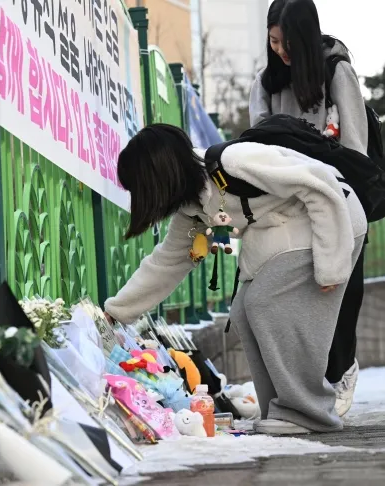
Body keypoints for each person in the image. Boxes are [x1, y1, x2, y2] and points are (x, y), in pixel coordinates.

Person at [103, 124, 366, 435]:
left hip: (334, 221)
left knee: (264, 302)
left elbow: (319, 186)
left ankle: (310, 411)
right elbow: (168, 261)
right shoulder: (192, 208)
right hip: (287, 232)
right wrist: (116, 312)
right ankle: (280, 408)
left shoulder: (235, 162)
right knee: (243, 310)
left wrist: (331, 263)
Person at [249, 0, 366, 417]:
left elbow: (356, 148)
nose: (280, 50)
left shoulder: (336, 72)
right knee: (294, 300)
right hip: (287, 205)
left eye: (287, 41)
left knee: (339, 292)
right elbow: (254, 144)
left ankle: (342, 370)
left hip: (338, 198)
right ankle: (306, 386)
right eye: (273, 41)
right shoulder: (266, 82)